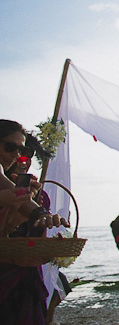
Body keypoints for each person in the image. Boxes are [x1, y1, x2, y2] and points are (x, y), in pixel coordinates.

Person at [0, 119, 70, 325]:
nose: (17, 155)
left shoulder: (23, 187)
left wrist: (38, 213)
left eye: (24, 151)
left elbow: (11, 225)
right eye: (10, 147)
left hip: (19, 269)